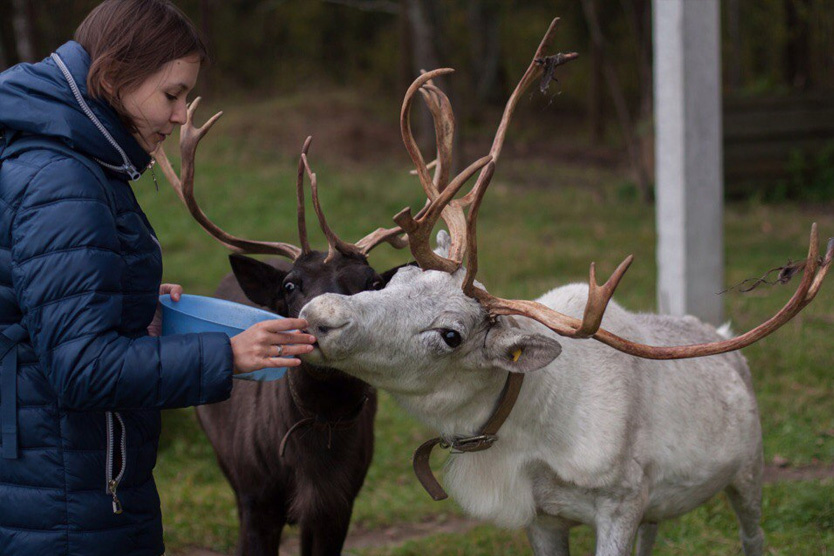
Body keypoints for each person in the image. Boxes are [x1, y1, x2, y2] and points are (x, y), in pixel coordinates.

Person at [0, 1, 316, 554]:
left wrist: (125, 294)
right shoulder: (63, 182)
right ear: (115, 75)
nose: (179, 116)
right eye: (171, 95)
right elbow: (82, 370)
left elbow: (32, 299)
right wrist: (227, 355)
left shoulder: (63, 159)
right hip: (68, 496)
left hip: (56, 473)